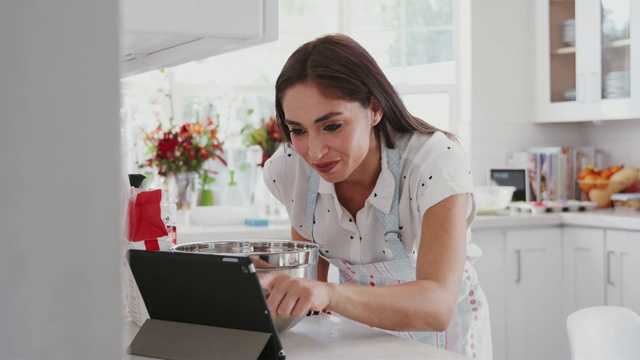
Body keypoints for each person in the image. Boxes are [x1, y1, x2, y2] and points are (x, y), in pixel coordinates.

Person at [260, 33, 492, 359]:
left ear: (374, 109)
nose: (314, 151)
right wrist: (273, 287)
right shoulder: (290, 169)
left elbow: (437, 306)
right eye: (298, 130)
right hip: (357, 340)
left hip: (442, 346)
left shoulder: (435, 162)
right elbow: (310, 285)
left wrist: (327, 294)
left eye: (332, 126)